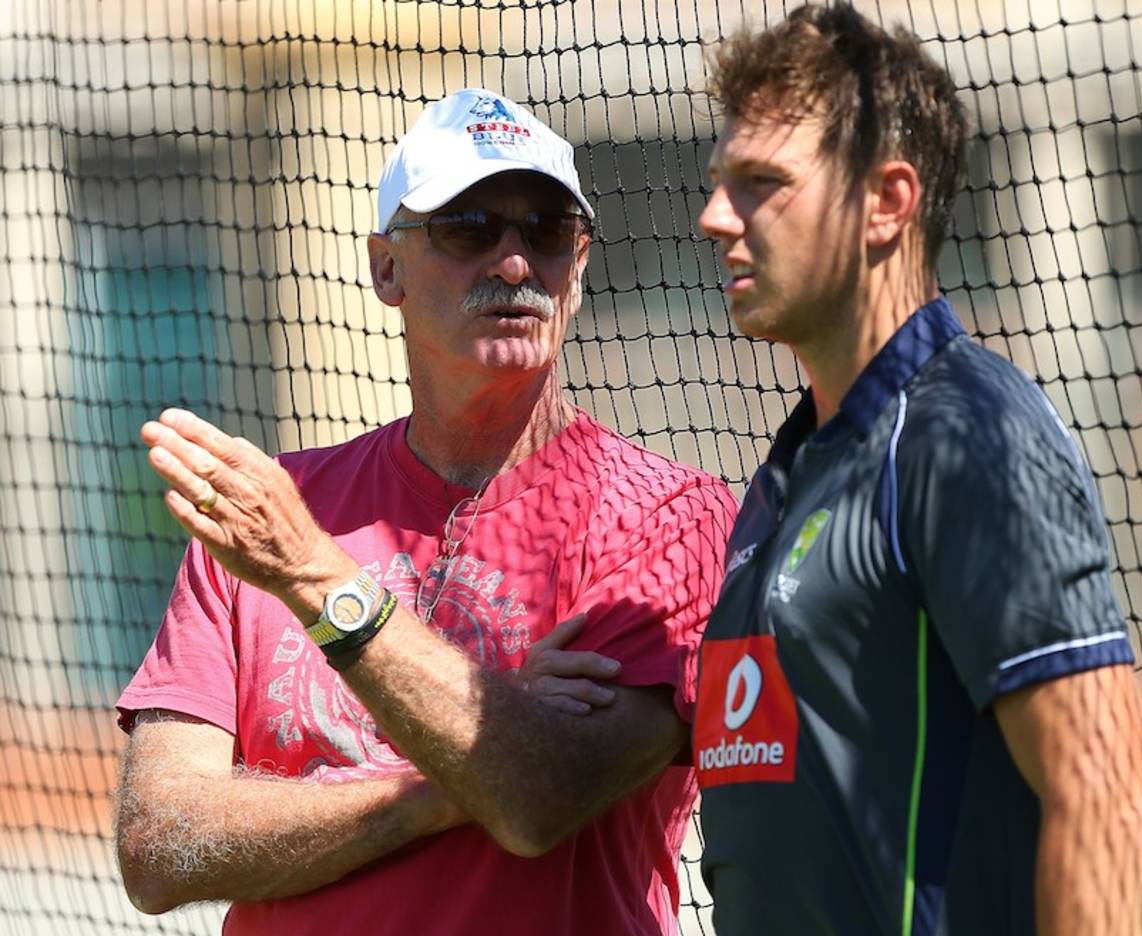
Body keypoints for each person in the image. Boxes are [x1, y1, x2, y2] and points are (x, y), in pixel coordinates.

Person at [114, 87, 738, 935]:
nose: (515, 262)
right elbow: (158, 845)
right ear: (385, 268)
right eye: (469, 228)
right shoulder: (268, 517)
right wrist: (449, 778)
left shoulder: (671, 519)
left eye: (547, 231)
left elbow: (538, 796)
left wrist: (314, 574)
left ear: (580, 268)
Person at [690, 5, 1142, 935]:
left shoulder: (968, 436)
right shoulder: (794, 468)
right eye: (720, 183)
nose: (714, 217)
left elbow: (1105, 798)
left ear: (888, 202)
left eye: (761, 184)